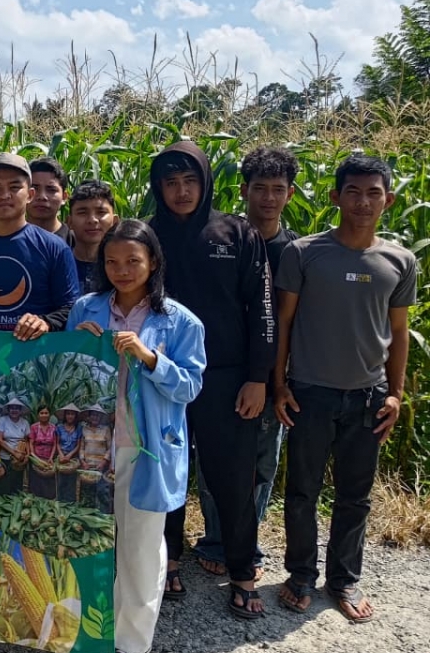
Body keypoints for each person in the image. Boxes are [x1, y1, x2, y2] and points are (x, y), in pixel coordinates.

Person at [274, 155, 417, 623]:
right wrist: (280, 385)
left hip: (368, 397)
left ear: (388, 200)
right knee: (301, 492)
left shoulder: (400, 260)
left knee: (355, 496)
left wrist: (396, 394)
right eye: (352, 192)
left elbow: (398, 333)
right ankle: (299, 576)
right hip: (310, 392)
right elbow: (286, 323)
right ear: (335, 197)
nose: (362, 202)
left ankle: (343, 580)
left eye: (373, 193)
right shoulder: (305, 253)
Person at [67, 218, 207, 653]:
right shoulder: (85, 308)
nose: (122, 270)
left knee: (140, 553)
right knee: (85, 544)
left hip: (143, 448)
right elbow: (62, 374)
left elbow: (190, 386)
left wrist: (149, 358)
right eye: (112, 261)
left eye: (133, 261)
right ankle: (82, 634)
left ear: (153, 263)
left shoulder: (180, 321)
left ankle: (130, 644)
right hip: (91, 448)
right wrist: (75, 344)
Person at [150, 140, 274, 618]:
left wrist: (259, 378)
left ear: (205, 182)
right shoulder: (148, 235)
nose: (181, 192)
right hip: (162, 378)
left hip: (227, 379)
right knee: (168, 476)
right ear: (158, 188)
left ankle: (242, 571)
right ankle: (170, 562)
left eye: (190, 182)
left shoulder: (237, 233)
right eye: (171, 183)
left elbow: (262, 311)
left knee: (233, 479)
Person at [193, 146, 299, 578]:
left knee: (262, 462)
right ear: (244, 191)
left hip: (274, 378)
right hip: (225, 375)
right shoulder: (222, 239)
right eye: (260, 189)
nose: (268, 198)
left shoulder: (295, 250)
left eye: (278, 190)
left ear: (291, 194)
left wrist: (278, 380)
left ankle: (246, 541)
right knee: (214, 462)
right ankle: (218, 540)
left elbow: (292, 321)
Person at [0, 152, 80, 339]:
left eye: (14, 187)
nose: (4, 195)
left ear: (30, 195)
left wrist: (46, 322)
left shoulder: (55, 248)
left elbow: (72, 309)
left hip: (34, 360)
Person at [66, 180, 119, 289]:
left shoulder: (122, 268)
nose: (92, 220)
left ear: (115, 221)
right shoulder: (59, 263)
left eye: (101, 212)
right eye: (82, 213)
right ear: (69, 222)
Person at [28, 157, 74, 244]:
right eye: (34, 189)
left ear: (64, 197)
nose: (42, 197)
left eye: (51, 190)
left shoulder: (77, 244)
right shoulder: (6, 240)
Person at [0, 397, 31, 495]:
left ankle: (15, 504)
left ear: (20, 411)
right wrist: (14, 453)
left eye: (17, 408)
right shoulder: (3, 420)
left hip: (20, 458)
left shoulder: (25, 422)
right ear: (8, 410)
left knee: (17, 484)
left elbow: (27, 440)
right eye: (12, 408)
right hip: (5, 456)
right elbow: (0, 440)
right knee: (4, 484)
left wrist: (27, 455)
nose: (14, 410)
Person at [27, 404, 59, 498]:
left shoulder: (54, 428)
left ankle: (48, 502)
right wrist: (35, 458)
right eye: (42, 413)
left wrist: (51, 458)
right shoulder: (34, 427)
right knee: (36, 484)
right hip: (36, 459)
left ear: (50, 415)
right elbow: (31, 443)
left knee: (48, 484)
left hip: (49, 460)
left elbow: (54, 444)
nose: (44, 415)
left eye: (46, 413)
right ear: (38, 415)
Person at [55, 403, 83, 503]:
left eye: (72, 414)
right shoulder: (59, 427)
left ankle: (70, 504)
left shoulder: (79, 428)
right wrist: (62, 455)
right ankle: (60, 503)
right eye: (68, 414)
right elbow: (57, 443)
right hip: (61, 457)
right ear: (65, 415)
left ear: (75, 416)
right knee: (60, 482)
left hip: (73, 459)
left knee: (71, 483)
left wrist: (70, 455)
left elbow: (78, 445)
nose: (70, 416)